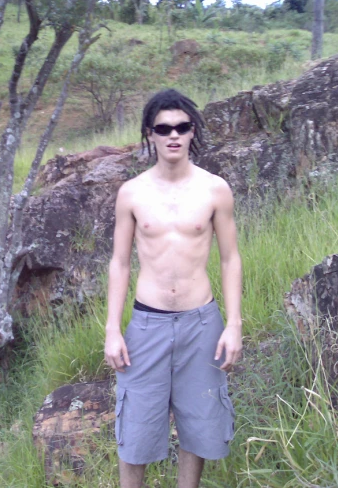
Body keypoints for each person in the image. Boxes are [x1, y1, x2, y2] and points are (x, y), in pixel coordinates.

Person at [104, 89, 243, 488]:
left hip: (202, 322)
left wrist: (233, 324)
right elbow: (120, 262)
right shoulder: (132, 192)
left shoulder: (215, 189)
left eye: (182, 127)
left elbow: (230, 258)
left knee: (199, 421)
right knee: (136, 424)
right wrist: (113, 328)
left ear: (192, 131)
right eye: (164, 128)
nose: (173, 136)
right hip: (147, 324)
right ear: (150, 134)